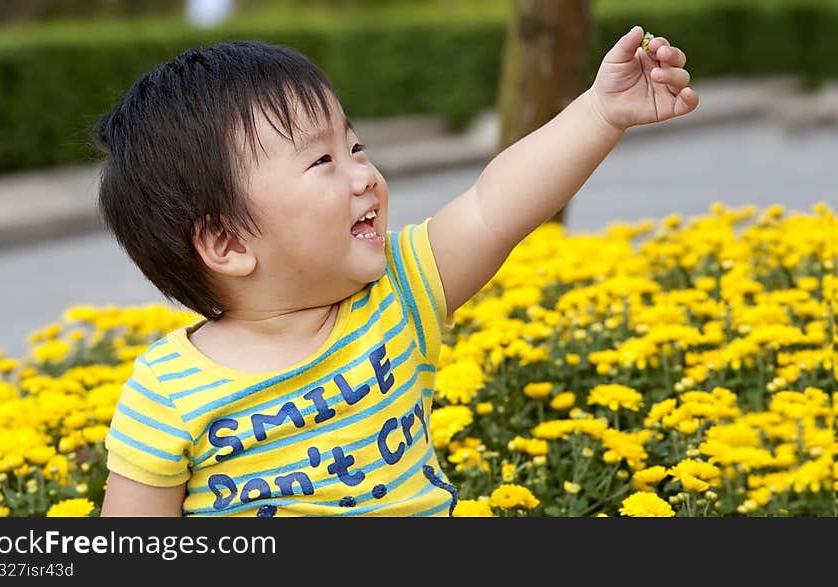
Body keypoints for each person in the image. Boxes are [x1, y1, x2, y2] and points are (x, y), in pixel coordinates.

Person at [98, 26, 698, 517]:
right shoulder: (167, 394)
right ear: (226, 243)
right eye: (322, 160)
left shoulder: (401, 293)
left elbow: (494, 207)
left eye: (356, 147)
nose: (364, 175)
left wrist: (600, 111)